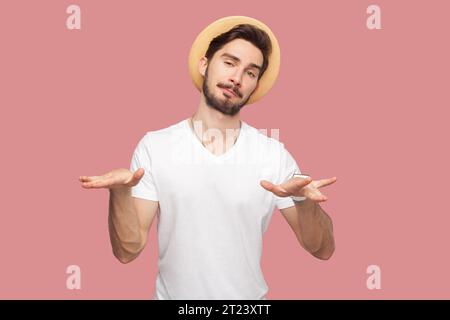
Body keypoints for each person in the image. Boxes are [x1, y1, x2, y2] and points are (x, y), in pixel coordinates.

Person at [79, 16, 337, 300]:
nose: (237, 78)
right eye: (229, 63)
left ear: (255, 86)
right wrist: (120, 193)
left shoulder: (273, 155)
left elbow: (322, 250)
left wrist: (303, 200)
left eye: (250, 73)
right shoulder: (155, 147)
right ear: (204, 65)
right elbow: (127, 251)